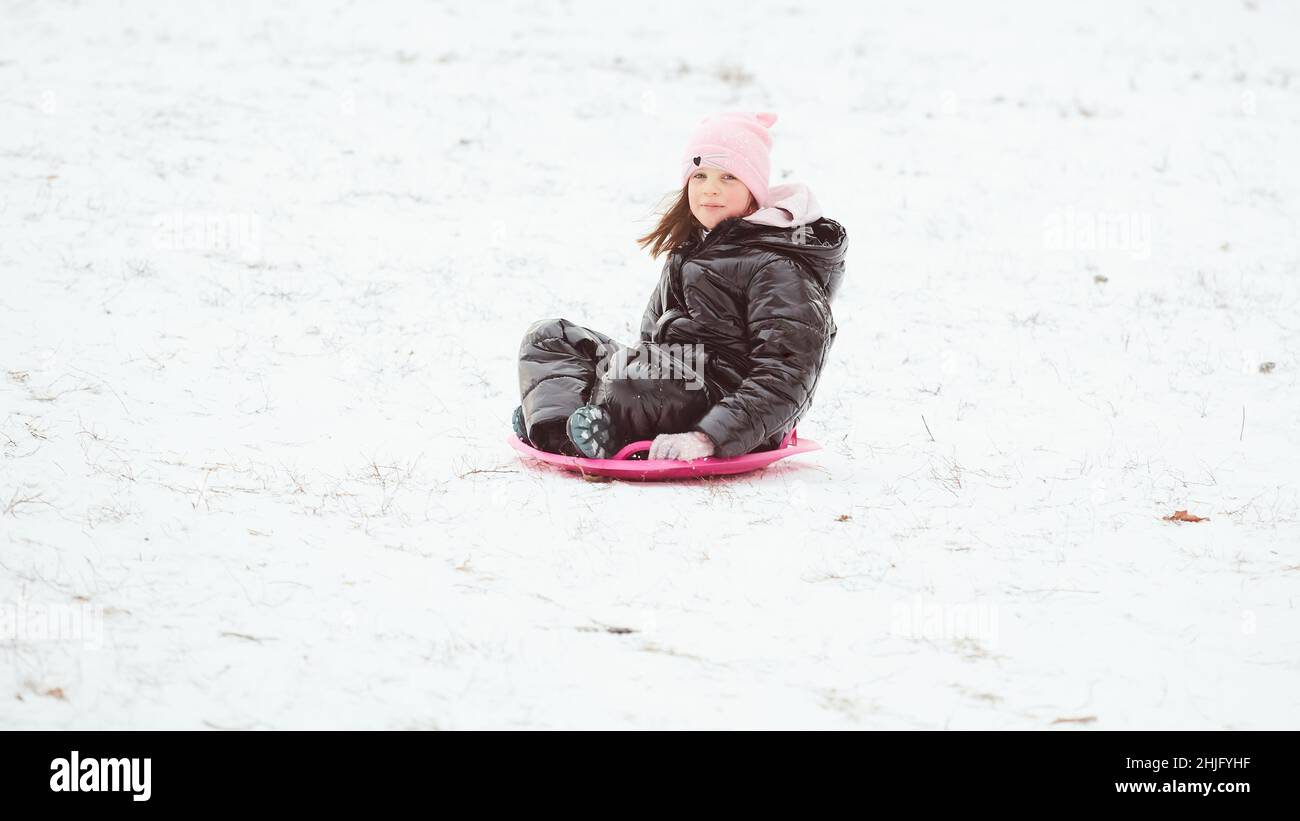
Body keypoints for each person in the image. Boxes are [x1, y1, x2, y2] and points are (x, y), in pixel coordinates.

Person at [514, 111, 847, 461]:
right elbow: (649, 340)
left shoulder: (777, 267)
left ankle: (595, 424)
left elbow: (787, 374)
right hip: (663, 380)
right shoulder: (689, 251)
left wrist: (708, 437)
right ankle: (560, 427)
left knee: (632, 379)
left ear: (754, 189)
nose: (710, 188)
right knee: (549, 337)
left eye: (729, 177)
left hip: (731, 411)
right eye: (700, 175)